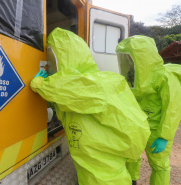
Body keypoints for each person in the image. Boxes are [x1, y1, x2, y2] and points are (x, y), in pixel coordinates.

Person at [30, 28, 150, 185]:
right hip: (109, 159)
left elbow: (64, 88)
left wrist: (39, 83)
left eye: (52, 61)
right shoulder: (104, 79)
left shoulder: (87, 85)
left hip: (102, 174)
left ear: (64, 60)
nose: (50, 68)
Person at [116, 35, 181, 185]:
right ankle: (131, 181)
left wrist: (164, 137)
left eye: (129, 59)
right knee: (131, 156)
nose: (127, 63)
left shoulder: (165, 78)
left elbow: (173, 109)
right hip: (138, 127)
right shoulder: (135, 79)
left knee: (159, 165)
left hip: (158, 130)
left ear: (142, 57)